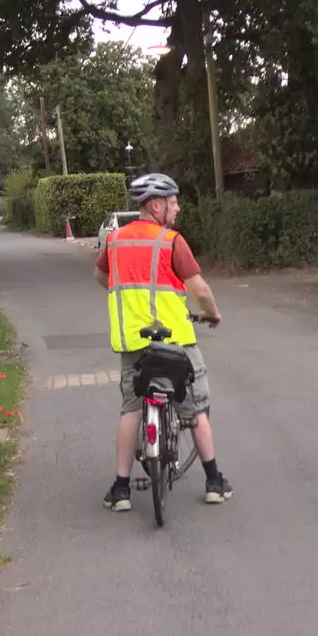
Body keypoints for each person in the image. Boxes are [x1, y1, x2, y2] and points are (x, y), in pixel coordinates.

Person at [95, 173, 233, 511]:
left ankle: (121, 489)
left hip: (133, 344)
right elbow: (199, 289)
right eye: (173, 203)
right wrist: (212, 314)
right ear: (156, 205)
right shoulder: (171, 241)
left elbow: (101, 276)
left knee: (131, 410)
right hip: (177, 343)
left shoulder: (114, 241)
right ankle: (214, 481)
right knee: (196, 410)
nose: (178, 208)